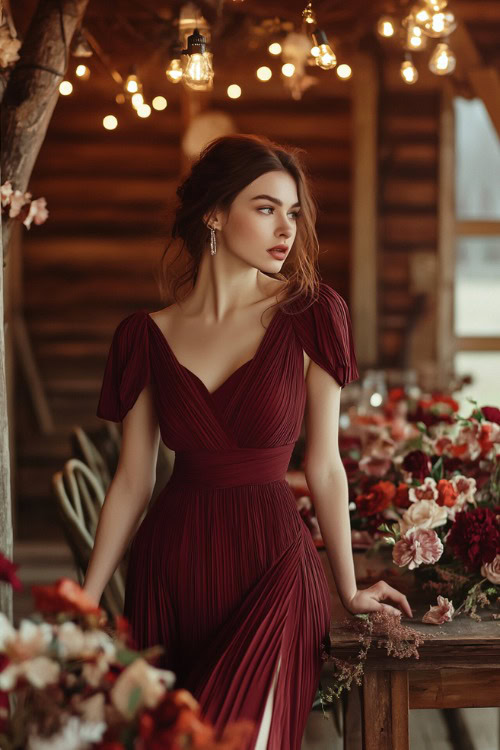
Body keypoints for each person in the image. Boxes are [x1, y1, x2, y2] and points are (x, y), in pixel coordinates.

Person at [84, 134, 412, 749]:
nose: (285, 228)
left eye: (292, 213)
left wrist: (347, 588)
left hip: (274, 567)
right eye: (266, 208)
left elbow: (326, 466)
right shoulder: (143, 336)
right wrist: (86, 600)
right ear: (214, 214)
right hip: (172, 572)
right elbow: (133, 480)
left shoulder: (313, 313)